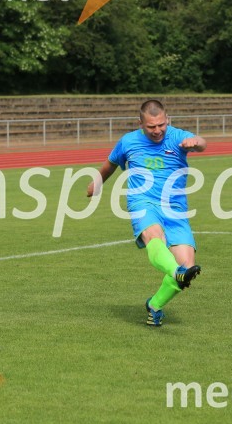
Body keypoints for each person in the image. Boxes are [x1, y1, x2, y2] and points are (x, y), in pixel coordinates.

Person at [86, 100, 206, 327]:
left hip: (176, 209)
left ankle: (155, 305)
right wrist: (96, 185)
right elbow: (110, 165)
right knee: (154, 236)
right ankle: (175, 271)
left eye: (161, 124)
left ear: (167, 119)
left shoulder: (177, 136)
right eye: (151, 127)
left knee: (188, 267)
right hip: (143, 201)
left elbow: (202, 143)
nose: (158, 130)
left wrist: (196, 142)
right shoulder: (128, 142)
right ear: (140, 123)